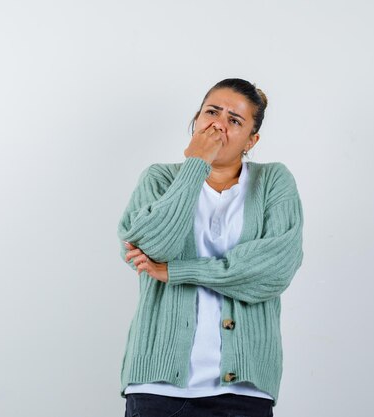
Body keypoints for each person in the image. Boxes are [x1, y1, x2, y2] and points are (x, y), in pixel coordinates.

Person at [117, 78, 303, 417]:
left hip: (242, 391)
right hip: (156, 389)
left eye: (234, 120)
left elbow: (274, 270)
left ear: (251, 140)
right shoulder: (159, 179)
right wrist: (195, 166)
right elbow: (151, 249)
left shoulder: (274, 181)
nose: (218, 124)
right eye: (212, 112)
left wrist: (177, 271)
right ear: (197, 118)